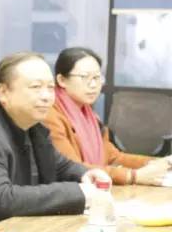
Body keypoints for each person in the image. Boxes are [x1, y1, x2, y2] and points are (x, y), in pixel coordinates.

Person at [0, 52, 110, 226]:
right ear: (3, 92)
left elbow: (59, 165)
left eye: (50, 88)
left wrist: (84, 174)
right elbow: (3, 200)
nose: (46, 96)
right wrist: (78, 193)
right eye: (36, 87)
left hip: (21, 229)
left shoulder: (33, 125)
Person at [44, 47, 172, 186]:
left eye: (97, 77)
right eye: (84, 77)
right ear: (62, 80)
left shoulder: (90, 116)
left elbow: (113, 157)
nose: (93, 85)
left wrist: (157, 163)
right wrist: (133, 176)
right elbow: (72, 168)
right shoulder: (50, 115)